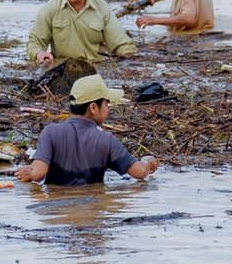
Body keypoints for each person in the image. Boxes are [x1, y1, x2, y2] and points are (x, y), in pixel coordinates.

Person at [14, 74, 160, 186]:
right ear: (93, 108)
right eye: (106, 104)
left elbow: (38, 173)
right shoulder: (106, 140)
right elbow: (140, 172)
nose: (108, 108)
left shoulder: (50, 132)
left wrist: (30, 173)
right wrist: (148, 161)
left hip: (56, 213)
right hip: (92, 209)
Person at [28, 0, 136, 88]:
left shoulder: (102, 8)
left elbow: (121, 43)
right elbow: (34, 43)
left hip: (96, 71)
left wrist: (130, 61)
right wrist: (40, 54)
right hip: (63, 72)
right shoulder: (50, 9)